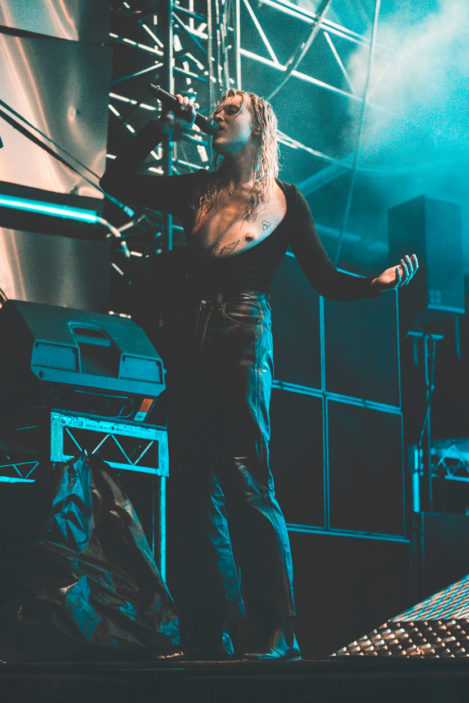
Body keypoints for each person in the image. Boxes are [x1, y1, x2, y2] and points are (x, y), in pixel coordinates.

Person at [100, 89, 418, 661]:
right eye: (216, 108)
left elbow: (325, 278)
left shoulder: (287, 200)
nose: (217, 114)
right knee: (192, 488)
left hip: (242, 338)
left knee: (246, 478)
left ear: (260, 125)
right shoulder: (197, 189)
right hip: (188, 341)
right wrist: (156, 127)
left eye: (232, 109)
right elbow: (117, 182)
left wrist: (375, 284)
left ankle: (278, 628)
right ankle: (208, 633)